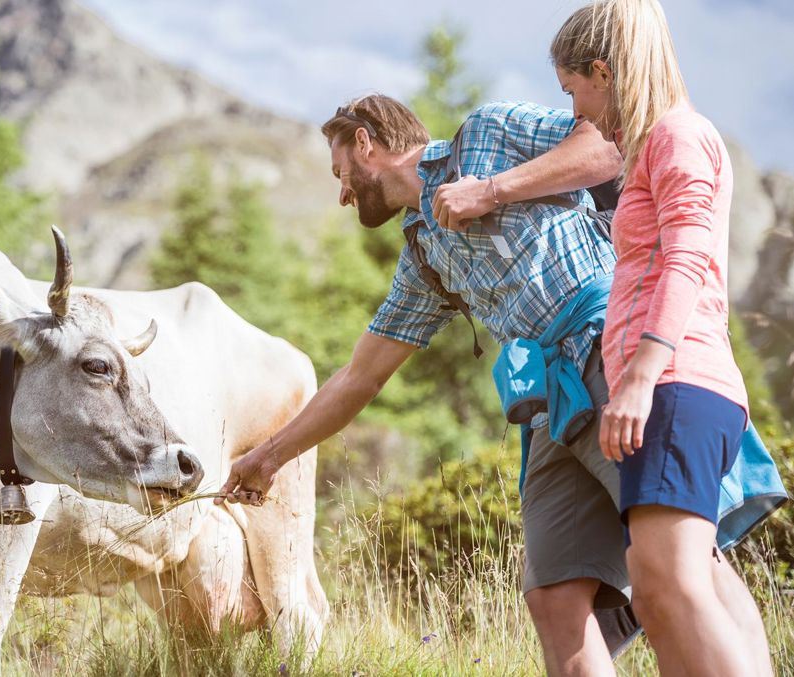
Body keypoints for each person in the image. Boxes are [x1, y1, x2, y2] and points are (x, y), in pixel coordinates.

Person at [217, 92, 634, 675]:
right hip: (552, 410)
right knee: (552, 593)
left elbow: (607, 149)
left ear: (366, 142)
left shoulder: (489, 133)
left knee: (673, 560)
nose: (342, 192)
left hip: (611, 349)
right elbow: (360, 377)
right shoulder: (423, 255)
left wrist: (490, 190)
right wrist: (268, 456)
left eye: (341, 172)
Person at [550, 0, 773, 674]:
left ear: (601, 70)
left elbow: (685, 257)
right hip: (672, 388)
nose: (574, 115)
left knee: (666, 586)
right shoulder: (656, 142)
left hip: (677, 386)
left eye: (574, 93)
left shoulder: (677, 135)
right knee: (669, 587)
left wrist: (641, 377)